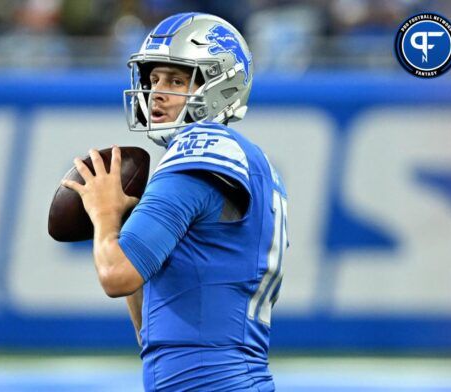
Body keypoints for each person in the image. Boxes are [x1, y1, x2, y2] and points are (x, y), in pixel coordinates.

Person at [63, 12, 288, 391]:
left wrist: (103, 215)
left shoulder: (199, 153)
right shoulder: (248, 160)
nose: (157, 93)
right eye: (153, 80)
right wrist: (123, 224)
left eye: (177, 80)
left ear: (221, 85)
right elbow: (147, 331)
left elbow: (115, 276)